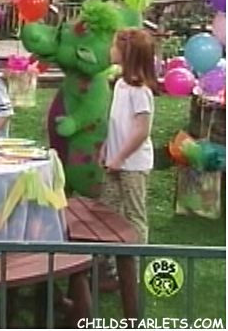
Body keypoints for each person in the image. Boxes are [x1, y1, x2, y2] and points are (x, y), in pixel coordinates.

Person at [99, 28, 157, 290]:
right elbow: (116, 123)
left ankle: (132, 271)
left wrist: (120, 157)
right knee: (109, 211)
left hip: (133, 165)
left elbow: (141, 131)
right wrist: (106, 149)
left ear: (127, 53)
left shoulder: (140, 91)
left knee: (134, 214)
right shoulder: (120, 84)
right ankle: (110, 266)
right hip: (115, 161)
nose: (110, 50)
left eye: (114, 46)